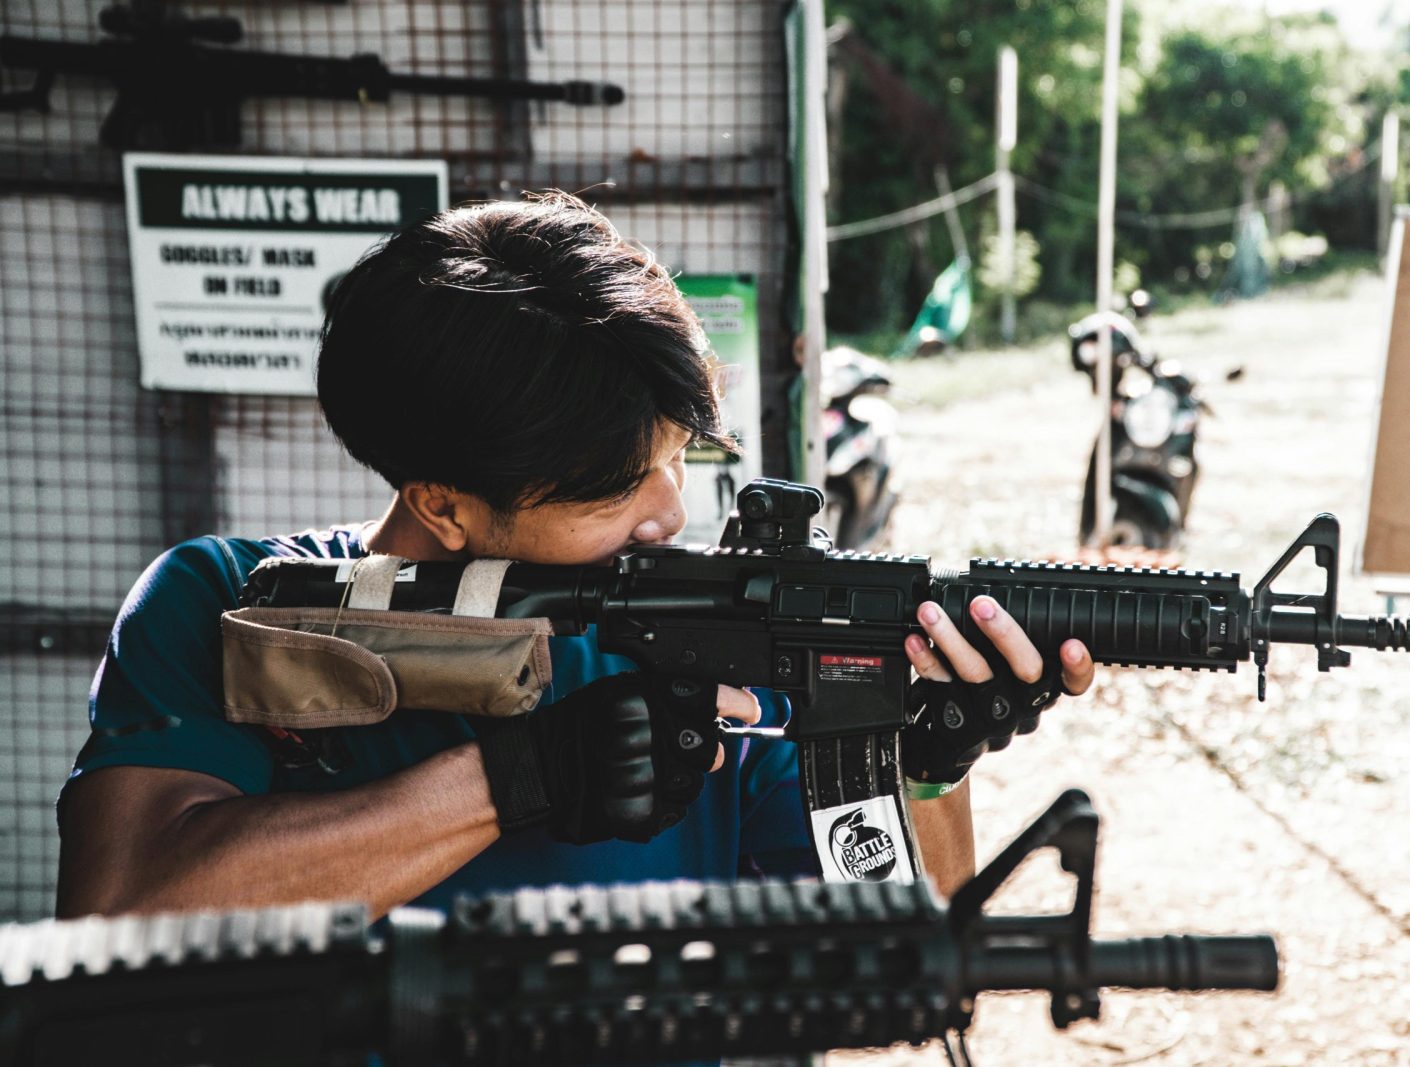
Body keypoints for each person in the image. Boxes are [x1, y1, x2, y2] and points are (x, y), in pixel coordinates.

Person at [55, 192, 1095, 922]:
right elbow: (128, 914)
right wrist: (520, 774)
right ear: (442, 504)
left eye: (678, 458)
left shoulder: (707, 640)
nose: (669, 510)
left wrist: (918, 761)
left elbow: (909, 921)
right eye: (615, 487)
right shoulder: (223, 604)